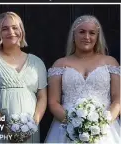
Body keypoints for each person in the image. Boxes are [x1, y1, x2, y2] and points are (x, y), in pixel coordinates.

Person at [45, 15, 120, 143]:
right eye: (82, 32)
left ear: (97, 36)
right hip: (66, 128)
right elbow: (53, 102)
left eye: (92, 33)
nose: (86, 37)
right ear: (73, 35)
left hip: (105, 130)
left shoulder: (110, 62)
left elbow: (118, 98)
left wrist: (102, 123)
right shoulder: (60, 64)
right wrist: (75, 125)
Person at [0, 12, 47, 143]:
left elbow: (42, 97)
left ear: (21, 31)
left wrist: (33, 124)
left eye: (15, 27)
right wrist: (3, 126)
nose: (11, 32)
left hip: (29, 132)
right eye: (5, 29)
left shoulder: (37, 62)